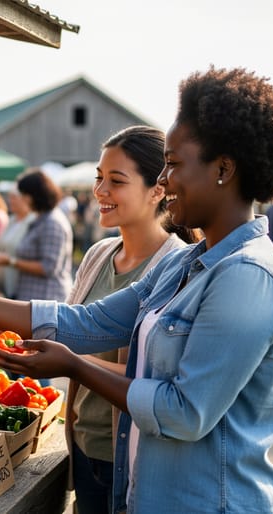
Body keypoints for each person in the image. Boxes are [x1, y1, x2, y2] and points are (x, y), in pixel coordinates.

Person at [0, 67, 273, 513]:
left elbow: (185, 413)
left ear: (224, 169)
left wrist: (75, 368)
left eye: (174, 163)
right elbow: (91, 321)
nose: (164, 179)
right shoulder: (190, 263)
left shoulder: (248, 275)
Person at [62, 126, 198, 514]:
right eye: (98, 178)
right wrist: (4, 324)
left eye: (116, 181)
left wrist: (65, 358)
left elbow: (153, 378)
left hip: (130, 459)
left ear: (158, 190)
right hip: (84, 447)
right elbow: (74, 326)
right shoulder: (99, 254)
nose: (100, 191)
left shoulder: (177, 266)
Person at [0, 169, 73, 302]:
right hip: (31, 296)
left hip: (46, 298)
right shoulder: (40, 219)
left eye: (24, 195)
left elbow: (48, 267)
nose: (22, 199)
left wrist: (11, 261)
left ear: (34, 196)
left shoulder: (52, 222)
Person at [0, 189, 35, 298]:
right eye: (10, 197)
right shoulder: (12, 219)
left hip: (18, 285)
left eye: (14, 198)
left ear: (25, 199)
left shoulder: (33, 222)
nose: (10, 201)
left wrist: (10, 261)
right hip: (1, 280)